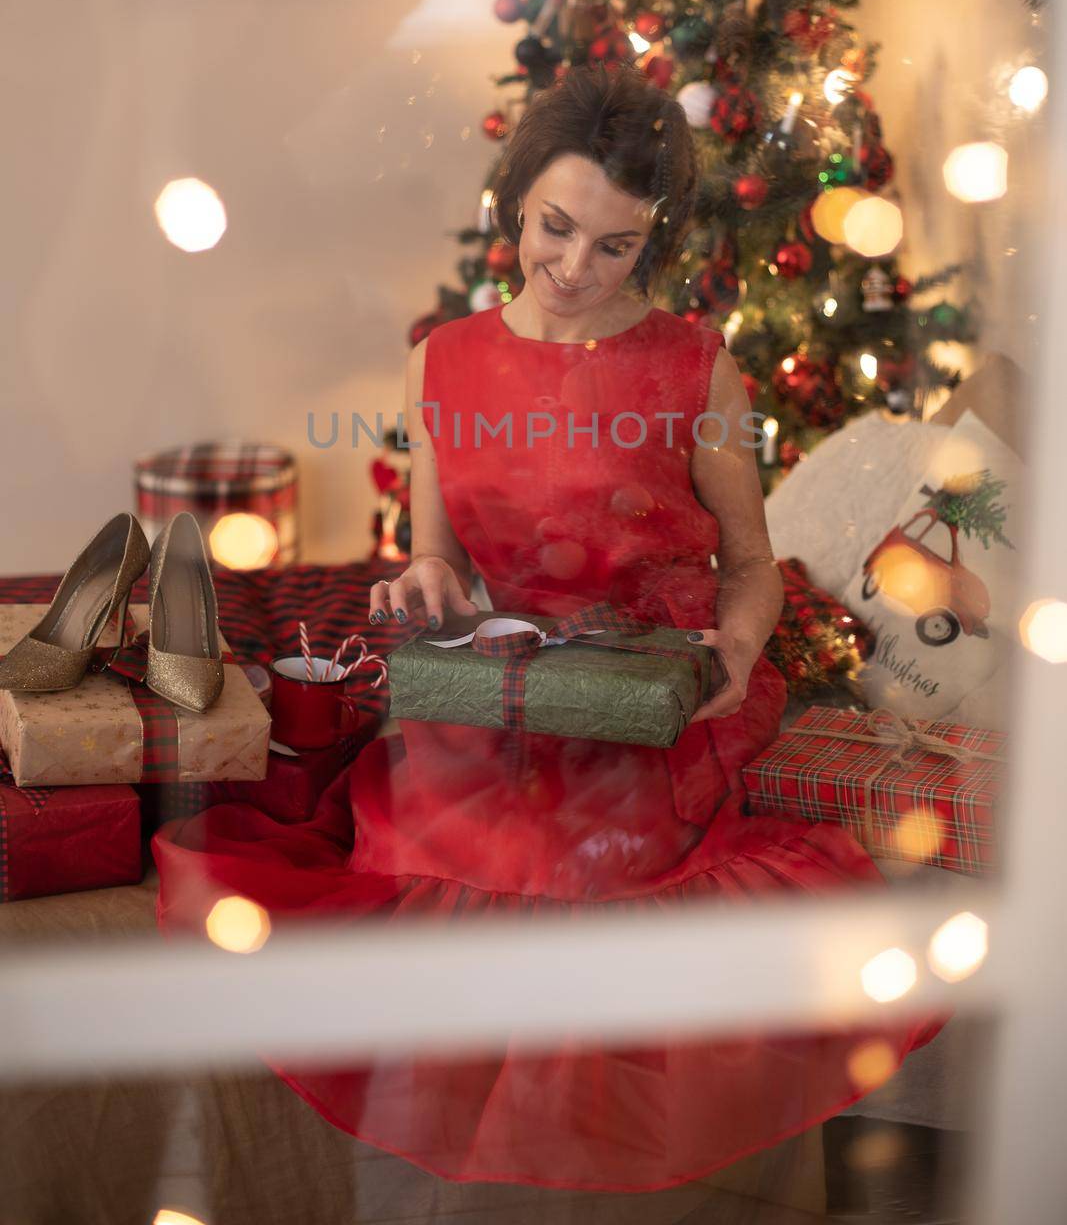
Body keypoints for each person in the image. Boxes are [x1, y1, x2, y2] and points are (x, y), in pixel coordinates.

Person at [153, 64, 946, 1196]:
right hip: (505, 682)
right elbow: (435, 555)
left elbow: (752, 569)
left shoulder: (694, 368)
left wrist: (733, 646)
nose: (574, 267)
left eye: (613, 246)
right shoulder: (442, 361)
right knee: (436, 858)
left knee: (573, 878)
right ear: (515, 201)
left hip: (652, 695)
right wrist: (422, 581)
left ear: (650, 244)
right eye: (555, 228)